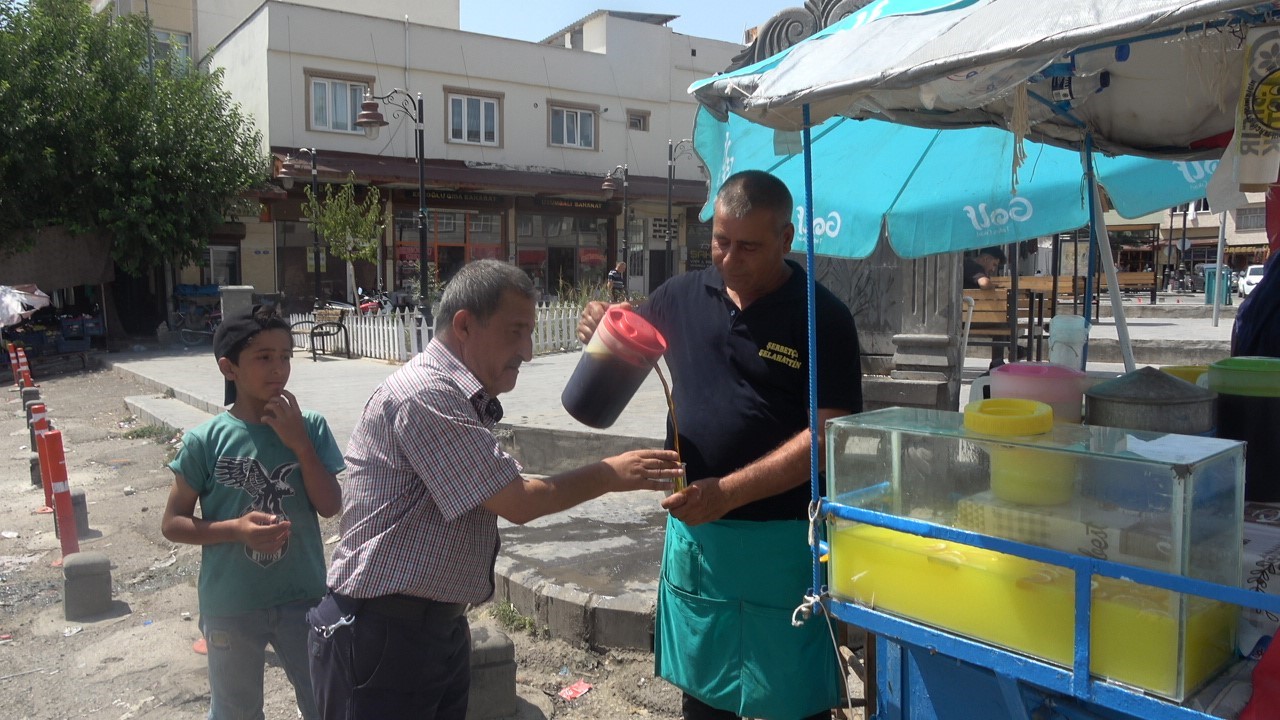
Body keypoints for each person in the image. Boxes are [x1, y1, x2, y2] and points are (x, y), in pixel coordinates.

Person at [308, 258, 681, 720]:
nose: (527, 350)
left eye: (531, 332)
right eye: (515, 332)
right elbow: (517, 500)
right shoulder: (425, 394)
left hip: (430, 628)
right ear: (465, 325)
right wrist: (608, 474)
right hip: (383, 635)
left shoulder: (460, 397)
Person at [577, 170, 863, 720]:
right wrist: (601, 324)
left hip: (781, 539)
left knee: (790, 698)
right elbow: (628, 340)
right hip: (698, 532)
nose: (730, 258)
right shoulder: (682, 294)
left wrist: (730, 491)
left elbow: (828, 433)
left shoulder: (821, 316)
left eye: (749, 246)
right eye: (721, 241)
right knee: (704, 696)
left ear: (786, 239)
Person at [161, 305, 344, 720]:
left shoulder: (309, 426)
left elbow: (331, 506)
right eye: (263, 357)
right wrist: (235, 530)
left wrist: (300, 445)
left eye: (285, 356)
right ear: (230, 368)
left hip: (303, 596)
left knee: (325, 702)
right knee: (236, 710)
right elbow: (172, 522)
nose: (278, 369)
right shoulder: (205, 441)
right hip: (230, 603)